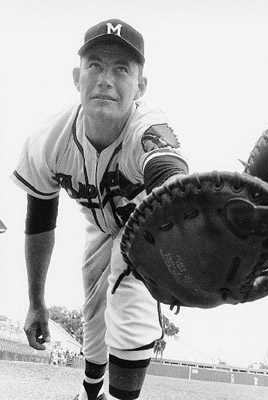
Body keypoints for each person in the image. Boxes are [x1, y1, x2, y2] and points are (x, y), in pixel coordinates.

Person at [11, 18, 189, 400]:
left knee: (126, 291)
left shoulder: (148, 126)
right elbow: (40, 221)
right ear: (77, 77)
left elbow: (168, 172)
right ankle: (90, 393)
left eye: (121, 69)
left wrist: (186, 229)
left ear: (141, 87)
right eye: (95, 65)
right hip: (97, 223)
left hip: (145, 221)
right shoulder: (49, 141)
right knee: (93, 311)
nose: (106, 78)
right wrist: (36, 302)